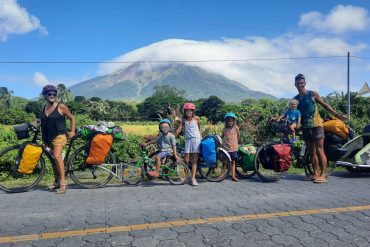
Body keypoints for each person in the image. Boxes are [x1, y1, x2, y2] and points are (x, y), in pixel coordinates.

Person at [293, 74, 347, 183]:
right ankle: (315, 174)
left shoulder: (312, 94)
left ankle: (323, 175)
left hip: (317, 125)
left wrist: (337, 115)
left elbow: (325, 105)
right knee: (312, 152)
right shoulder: (296, 99)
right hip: (305, 127)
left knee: (319, 150)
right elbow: (292, 112)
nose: (300, 85)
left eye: (302, 83)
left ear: (305, 83)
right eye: (298, 83)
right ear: (295, 85)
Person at [40, 85, 75, 194]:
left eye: (54, 94)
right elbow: (43, 121)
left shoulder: (61, 106)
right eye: (49, 94)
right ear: (45, 95)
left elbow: (72, 118)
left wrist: (72, 131)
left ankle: (63, 182)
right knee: (53, 159)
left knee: (56, 156)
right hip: (47, 137)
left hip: (59, 136)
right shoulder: (43, 107)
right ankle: (57, 181)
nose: (52, 96)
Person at [175, 102, 202, 186]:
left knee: (194, 160)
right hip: (188, 140)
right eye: (187, 111)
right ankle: (186, 176)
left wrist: (201, 136)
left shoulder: (197, 119)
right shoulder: (183, 120)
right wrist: (173, 137)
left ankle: (193, 178)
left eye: (190, 111)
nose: (188, 112)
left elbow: (200, 128)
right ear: (185, 111)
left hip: (196, 140)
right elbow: (179, 130)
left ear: (193, 111)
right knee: (186, 159)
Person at [221, 112, 240, 182]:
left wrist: (236, 143)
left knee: (233, 162)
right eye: (229, 120)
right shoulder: (224, 129)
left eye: (232, 120)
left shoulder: (236, 128)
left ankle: (233, 176)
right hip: (226, 148)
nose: (230, 122)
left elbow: (238, 135)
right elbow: (222, 136)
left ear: (234, 121)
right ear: (226, 121)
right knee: (224, 162)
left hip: (234, 148)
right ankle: (222, 175)